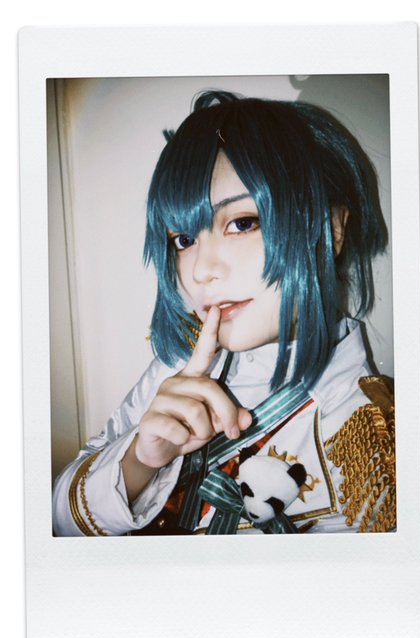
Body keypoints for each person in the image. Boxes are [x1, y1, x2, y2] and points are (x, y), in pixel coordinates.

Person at [53, 90, 396, 537]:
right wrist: (140, 461)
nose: (199, 271)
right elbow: (56, 524)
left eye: (242, 223)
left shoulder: (372, 440)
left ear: (330, 231)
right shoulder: (183, 364)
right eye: (183, 240)